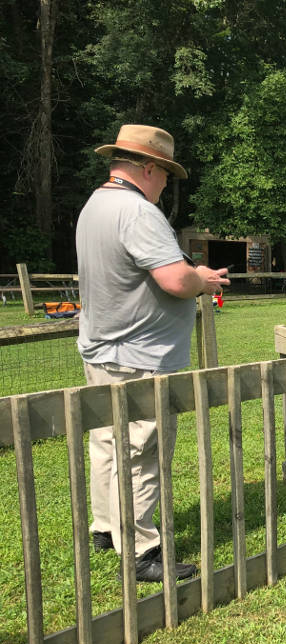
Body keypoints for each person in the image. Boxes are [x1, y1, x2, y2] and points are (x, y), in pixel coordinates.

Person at [77, 124, 229, 583]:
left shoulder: (95, 205)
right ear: (148, 168)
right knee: (142, 450)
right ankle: (141, 550)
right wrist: (202, 279)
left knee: (107, 441)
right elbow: (176, 281)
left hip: (102, 348)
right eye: (165, 175)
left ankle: (106, 528)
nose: (166, 184)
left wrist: (190, 273)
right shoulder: (139, 212)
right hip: (141, 356)